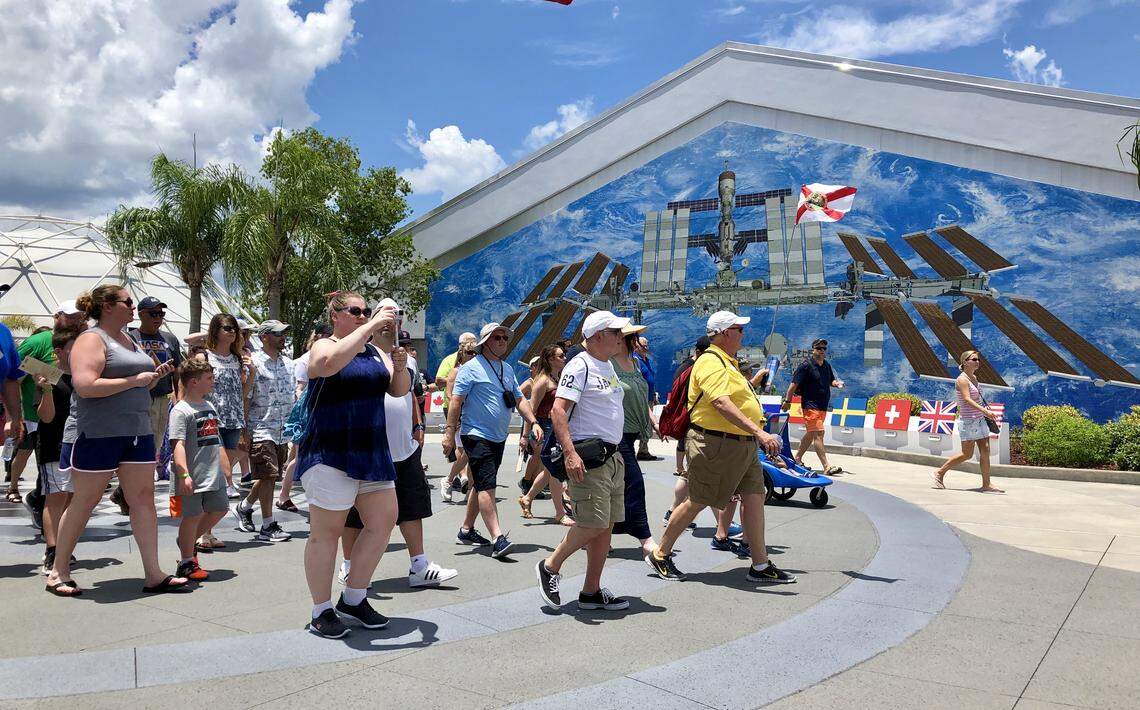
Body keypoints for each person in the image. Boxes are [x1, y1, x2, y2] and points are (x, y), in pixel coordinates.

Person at [46, 284, 187, 596]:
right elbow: (85, 385)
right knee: (85, 500)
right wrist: (133, 380)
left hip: (137, 429)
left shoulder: (131, 339)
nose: (133, 307)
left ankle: (154, 573)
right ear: (108, 306)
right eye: (128, 302)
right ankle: (58, 571)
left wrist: (150, 378)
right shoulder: (90, 339)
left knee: (143, 499)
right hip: (98, 432)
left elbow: (132, 382)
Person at [645, 310, 795, 585]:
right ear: (726, 333)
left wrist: (752, 386)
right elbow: (720, 403)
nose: (743, 334)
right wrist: (760, 432)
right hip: (717, 443)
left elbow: (732, 398)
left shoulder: (727, 362)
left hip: (740, 443)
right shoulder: (711, 362)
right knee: (699, 500)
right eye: (740, 329)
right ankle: (661, 553)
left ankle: (760, 565)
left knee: (754, 498)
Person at [296, 292, 409, 639]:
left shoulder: (373, 351)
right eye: (356, 311)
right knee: (326, 533)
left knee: (383, 521)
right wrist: (374, 325)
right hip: (331, 451)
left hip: (371, 450)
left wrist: (400, 364)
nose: (363, 316)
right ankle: (321, 610)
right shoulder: (323, 346)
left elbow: (398, 390)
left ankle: (354, 597)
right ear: (336, 315)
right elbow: (326, 366)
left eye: (366, 312)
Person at [342, 299, 457, 588]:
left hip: (404, 447)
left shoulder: (406, 357)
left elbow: (409, 394)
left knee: (412, 506)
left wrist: (417, 424)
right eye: (387, 315)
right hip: (368, 448)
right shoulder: (359, 352)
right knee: (355, 513)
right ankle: (348, 566)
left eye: (399, 315)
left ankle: (419, 565)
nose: (394, 320)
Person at [536, 311, 629, 610]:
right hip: (588, 458)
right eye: (616, 331)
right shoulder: (580, 365)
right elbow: (558, 411)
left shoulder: (607, 365)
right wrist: (571, 453)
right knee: (593, 522)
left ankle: (591, 591)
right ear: (599, 335)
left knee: (605, 525)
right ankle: (550, 565)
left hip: (611, 457)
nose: (621, 336)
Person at [442, 322, 539, 559]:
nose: (503, 341)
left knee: (481, 483)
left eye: (505, 338)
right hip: (476, 435)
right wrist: (449, 433)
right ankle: (498, 538)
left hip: (498, 436)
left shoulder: (506, 369)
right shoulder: (470, 368)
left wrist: (533, 422)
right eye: (497, 338)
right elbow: (455, 401)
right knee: (487, 485)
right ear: (485, 342)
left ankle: (466, 530)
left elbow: (519, 399)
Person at [7, 301, 86, 504]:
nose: (76, 320)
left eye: (79, 316)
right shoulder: (38, 341)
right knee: (40, 462)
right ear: (57, 316)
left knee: (66, 480)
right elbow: (14, 377)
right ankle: (21, 491)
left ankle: (37, 500)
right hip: (39, 415)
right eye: (70, 316)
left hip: (75, 417)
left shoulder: (85, 341)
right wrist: (15, 416)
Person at [234, 320, 295, 541]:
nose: (283, 338)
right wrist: (244, 431)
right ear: (264, 337)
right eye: (278, 334)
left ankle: (245, 506)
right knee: (268, 475)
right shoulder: (253, 364)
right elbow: (245, 398)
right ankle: (268, 525)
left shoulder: (289, 364)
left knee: (268, 477)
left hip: (282, 430)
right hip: (260, 428)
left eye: (284, 334)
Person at [169, 359, 228, 582]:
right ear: (194, 382)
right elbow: (178, 445)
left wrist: (224, 464)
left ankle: (187, 540)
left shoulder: (209, 406)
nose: (213, 382)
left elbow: (216, 438)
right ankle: (186, 562)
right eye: (209, 378)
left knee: (220, 508)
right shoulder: (181, 411)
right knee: (192, 516)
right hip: (192, 475)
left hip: (213, 473)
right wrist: (183, 474)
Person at [611, 322, 661, 558]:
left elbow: (642, 395)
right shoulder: (608, 365)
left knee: (616, 488)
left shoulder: (635, 363)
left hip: (632, 432)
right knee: (634, 484)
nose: (638, 341)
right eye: (634, 337)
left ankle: (594, 532)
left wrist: (653, 421)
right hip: (614, 434)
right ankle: (646, 539)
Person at [34, 327, 80, 575]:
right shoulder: (47, 377)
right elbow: (47, 416)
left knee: (74, 498)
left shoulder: (85, 376)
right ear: (59, 352)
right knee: (56, 497)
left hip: (80, 446)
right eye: (74, 347)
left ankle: (64, 546)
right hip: (54, 445)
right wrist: (47, 390)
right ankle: (52, 550)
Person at [277, 322, 332, 512]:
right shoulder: (305, 360)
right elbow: (299, 389)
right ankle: (284, 495)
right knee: (301, 455)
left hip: (324, 409)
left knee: (300, 455)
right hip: (310, 410)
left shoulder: (335, 354)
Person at [517, 344, 573, 525]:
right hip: (544, 428)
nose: (564, 358)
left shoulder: (558, 378)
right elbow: (530, 410)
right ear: (550, 359)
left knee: (550, 469)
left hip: (556, 427)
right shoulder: (542, 381)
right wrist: (525, 436)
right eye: (560, 356)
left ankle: (528, 498)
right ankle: (559, 513)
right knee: (554, 469)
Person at [933, 351, 1004, 493]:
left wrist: (984, 413)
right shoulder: (962, 380)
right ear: (965, 362)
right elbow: (967, 399)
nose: (978, 361)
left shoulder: (974, 378)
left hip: (979, 419)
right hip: (968, 421)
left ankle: (986, 484)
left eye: (978, 359)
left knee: (985, 451)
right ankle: (940, 472)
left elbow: (976, 399)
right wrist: (986, 412)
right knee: (967, 454)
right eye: (974, 359)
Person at [131, 296, 183, 484]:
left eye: (161, 314)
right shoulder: (131, 338)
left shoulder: (169, 339)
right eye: (153, 313)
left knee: (156, 440)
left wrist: (179, 397)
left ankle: (141, 478)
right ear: (141, 314)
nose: (158, 318)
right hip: (138, 398)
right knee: (138, 441)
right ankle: (137, 479)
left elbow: (178, 371)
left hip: (162, 398)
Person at [204, 313, 251, 515]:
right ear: (216, 330)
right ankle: (227, 486)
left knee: (222, 467)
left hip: (233, 416)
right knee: (222, 466)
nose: (232, 332)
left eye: (234, 328)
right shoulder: (205, 356)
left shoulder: (238, 358)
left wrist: (252, 371)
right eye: (227, 328)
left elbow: (244, 390)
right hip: (211, 416)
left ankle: (208, 525)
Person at [665, 335, 709, 527]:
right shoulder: (692, 369)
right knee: (701, 474)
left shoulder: (688, 367)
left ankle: (674, 511)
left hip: (693, 425)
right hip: (695, 425)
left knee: (692, 473)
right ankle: (722, 529)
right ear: (699, 353)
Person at [783, 338, 844, 475]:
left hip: (822, 406)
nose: (822, 351)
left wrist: (836, 383)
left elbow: (830, 381)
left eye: (824, 349)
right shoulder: (806, 366)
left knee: (811, 433)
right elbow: (793, 385)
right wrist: (788, 401)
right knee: (819, 433)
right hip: (810, 406)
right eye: (819, 348)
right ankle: (827, 466)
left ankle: (797, 458)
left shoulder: (826, 365)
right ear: (813, 350)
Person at [439, 344, 476, 502]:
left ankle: (471, 488)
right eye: (469, 352)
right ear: (462, 354)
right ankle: (448, 480)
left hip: (475, 416)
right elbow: (449, 395)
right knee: (467, 452)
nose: (472, 355)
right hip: (461, 416)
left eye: (475, 352)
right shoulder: (456, 371)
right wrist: (457, 417)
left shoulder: (476, 371)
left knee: (473, 453)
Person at [631, 335, 660, 461]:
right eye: (644, 345)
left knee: (647, 425)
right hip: (640, 398)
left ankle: (644, 449)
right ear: (636, 347)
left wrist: (653, 394)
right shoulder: (634, 360)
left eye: (647, 345)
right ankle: (636, 450)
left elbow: (649, 379)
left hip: (648, 397)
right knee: (641, 424)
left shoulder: (646, 360)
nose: (646, 348)